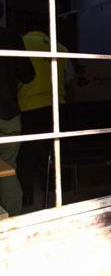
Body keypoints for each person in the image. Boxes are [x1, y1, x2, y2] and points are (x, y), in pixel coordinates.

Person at [16, 29, 72, 208]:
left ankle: (27, 196)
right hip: (57, 105)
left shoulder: (22, 43)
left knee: (28, 153)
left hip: (30, 107)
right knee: (55, 149)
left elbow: (17, 74)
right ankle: (60, 189)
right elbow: (70, 77)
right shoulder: (61, 47)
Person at [0, 27, 35, 216]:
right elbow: (28, 75)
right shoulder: (11, 37)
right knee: (7, 167)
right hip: (8, 113)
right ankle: (12, 218)